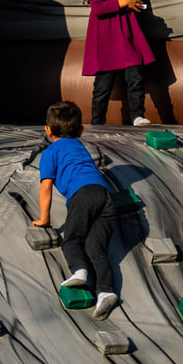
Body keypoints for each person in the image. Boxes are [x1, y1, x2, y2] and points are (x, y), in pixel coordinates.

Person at [32, 100, 119, 320]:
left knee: (72, 241)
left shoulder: (50, 152)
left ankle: (79, 270)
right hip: (105, 196)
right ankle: (105, 291)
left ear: (48, 130)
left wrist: (44, 219)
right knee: (96, 247)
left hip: (82, 196)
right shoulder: (80, 146)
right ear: (80, 131)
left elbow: (45, 187)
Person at [77, 0, 155, 126]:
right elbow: (97, 8)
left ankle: (137, 116)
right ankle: (97, 123)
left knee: (136, 76)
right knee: (103, 86)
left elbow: (128, 3)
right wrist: (123, 2)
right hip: (107, 40)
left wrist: (136, 4)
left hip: (128, 37)